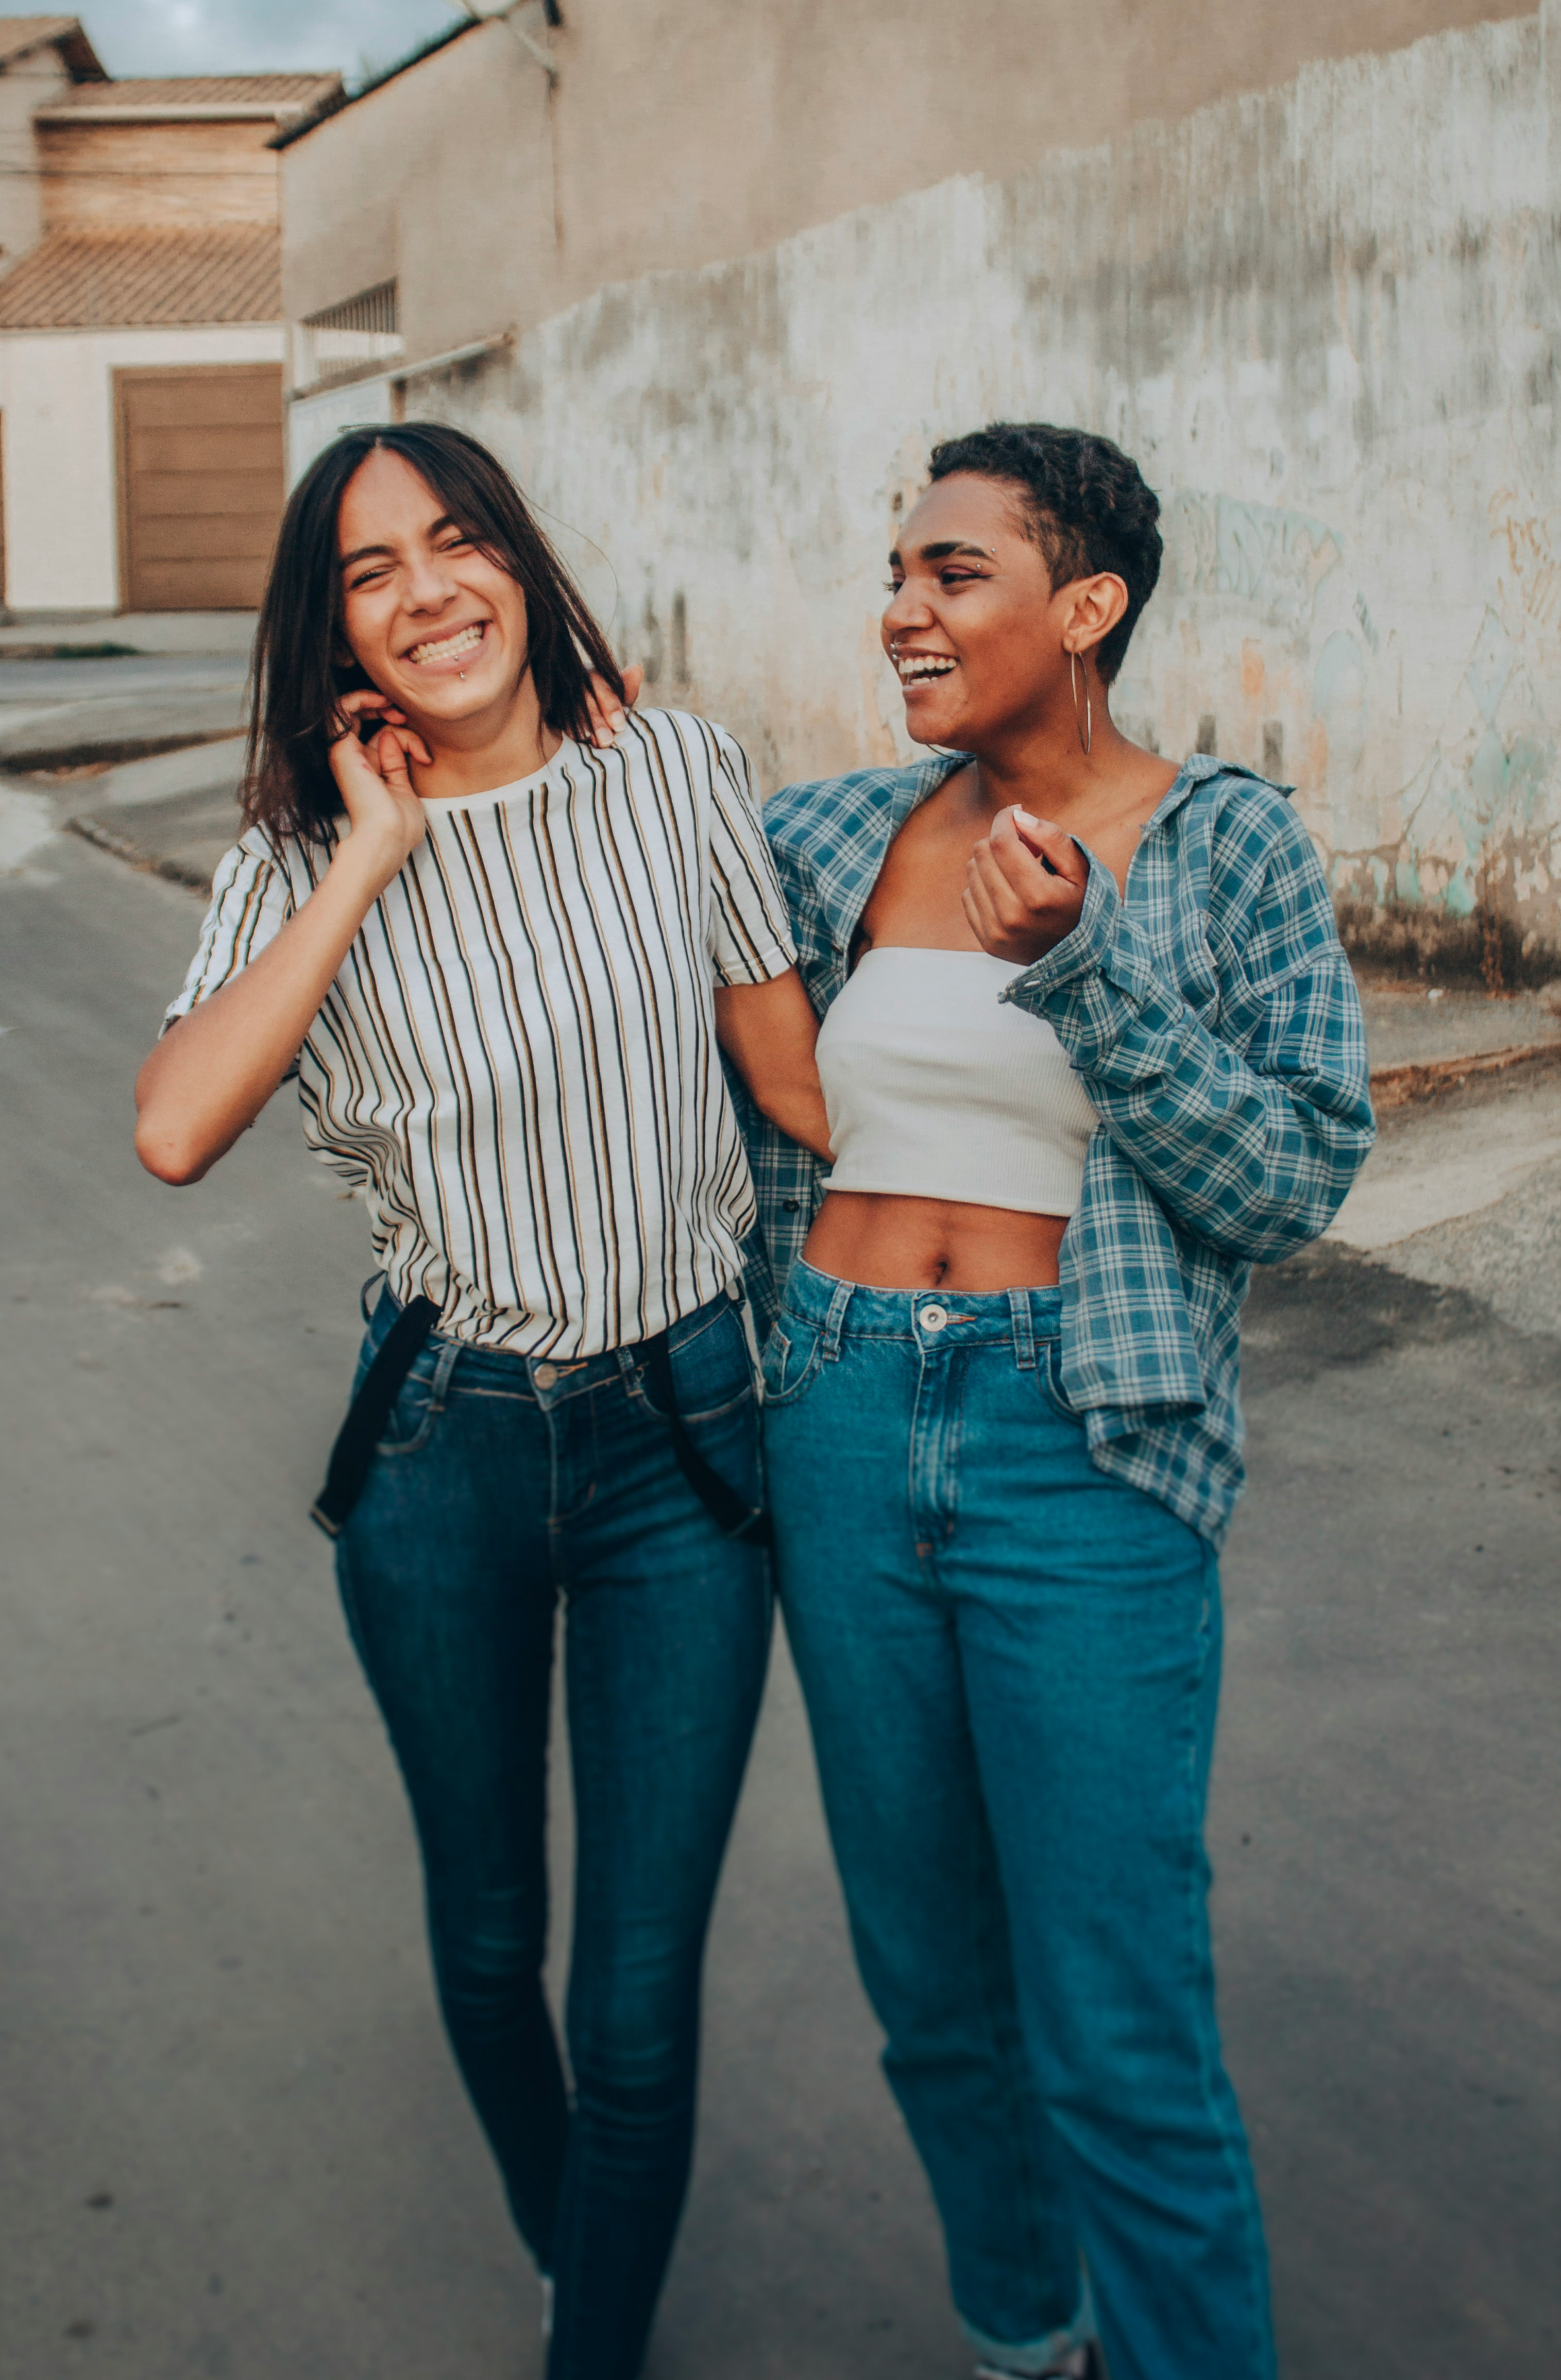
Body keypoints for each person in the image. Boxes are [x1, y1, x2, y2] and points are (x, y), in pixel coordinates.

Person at [133, 421, 831, 2380]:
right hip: (445, 1441)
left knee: (636, 2000)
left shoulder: (674, 769)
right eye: (374, 570)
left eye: (459, 545)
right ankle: (580, 2242)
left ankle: (584, 2336)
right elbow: (179, 1122)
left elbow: (796, 1088)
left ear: (518, 563)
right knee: (481, 1935)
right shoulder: (298, 847)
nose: (430, 590)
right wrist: (370, 850)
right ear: (332, 622)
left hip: (683, 1449)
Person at [731, 422, 1376, 2380]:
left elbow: (1290, 1183)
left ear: (1085, 607)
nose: (901, 608)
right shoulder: (833, 835)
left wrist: (1091, 969)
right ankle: (1028, 2339)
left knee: (1115, 2018)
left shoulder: (1225, 843)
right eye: (899, 572)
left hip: (1079, 1445)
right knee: (931, 1981)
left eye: (954, 574)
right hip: (837, 1416)